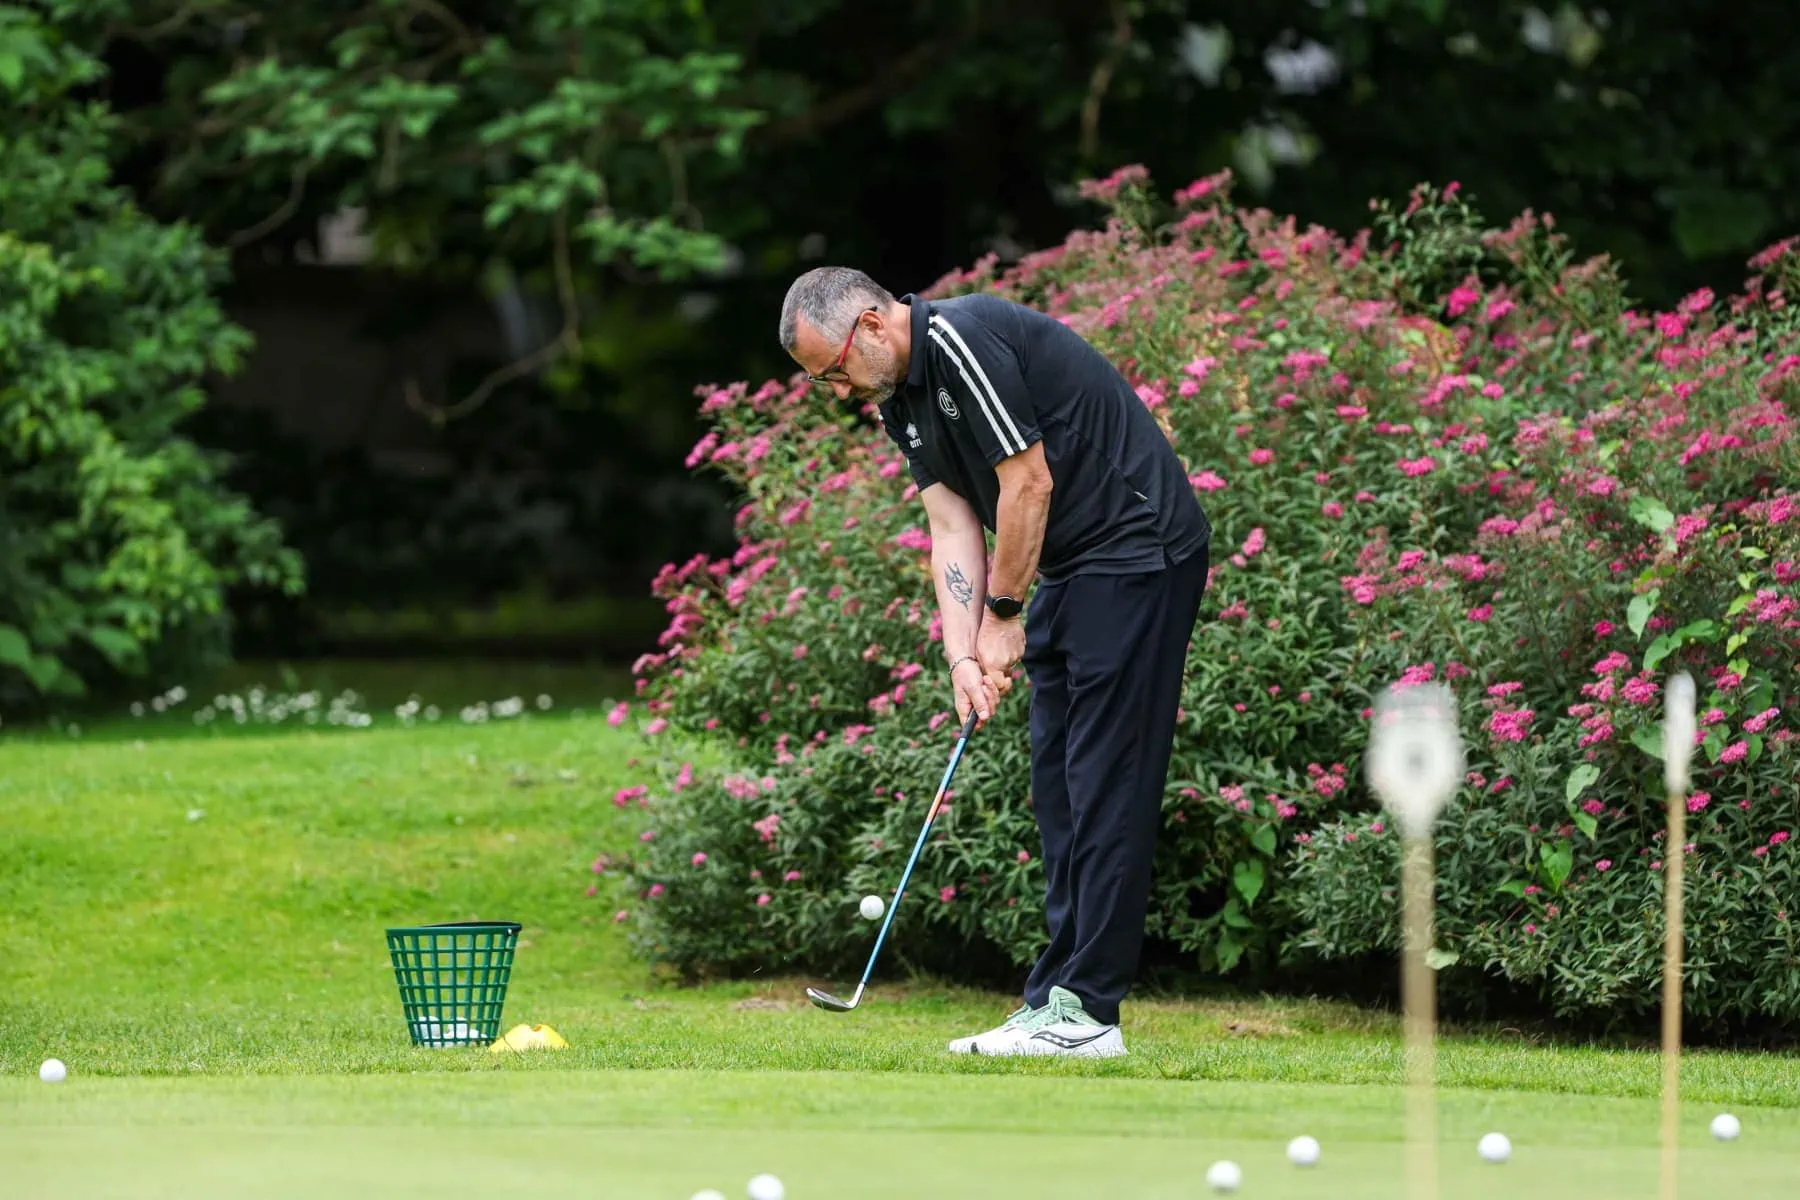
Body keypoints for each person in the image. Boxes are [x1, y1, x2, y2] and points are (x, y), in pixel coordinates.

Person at [778, 266, 1212, 1058]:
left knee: (1105, 779)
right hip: (1075, 565)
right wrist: (962, 655)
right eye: (821, 382)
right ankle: (1053, 999)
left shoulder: (961, 339)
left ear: (870, 324)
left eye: (833, 370)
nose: (838, 391)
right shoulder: (898, 400)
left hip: (1141, 548)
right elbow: (951, 527)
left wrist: (1004, 616)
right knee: (1058, 785)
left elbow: (1028, 484)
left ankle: (1089, 1014)